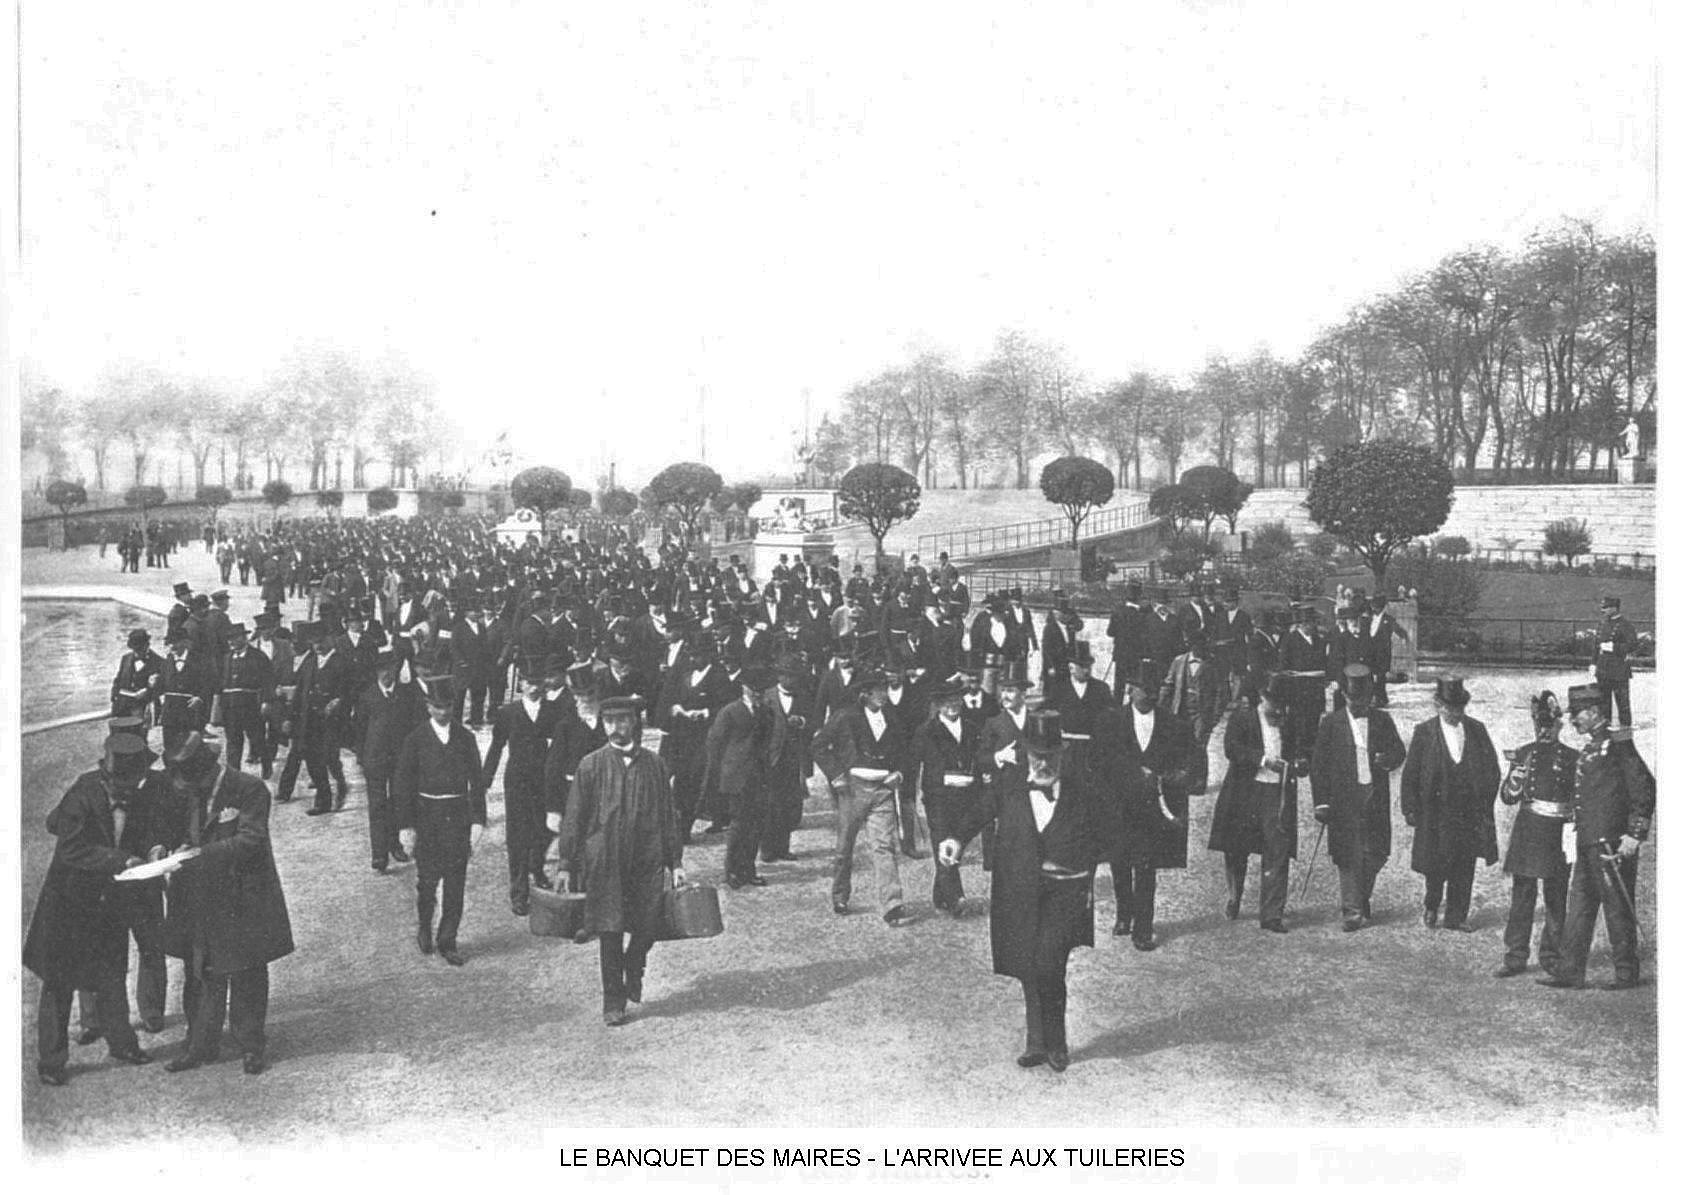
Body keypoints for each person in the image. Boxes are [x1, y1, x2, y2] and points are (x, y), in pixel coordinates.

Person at [939, 708, 1115, 1073]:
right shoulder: (1010, 783)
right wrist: (956, 838)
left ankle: (1058, 1041)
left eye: (1051, 756)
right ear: (1026, 755)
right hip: (1019, 889)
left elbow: (1104, 833)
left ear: (1062, 755)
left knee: (1050, 962)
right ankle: (1037, 1042)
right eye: (1037, 756)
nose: (1043, 763)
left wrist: (1081, 866)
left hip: (1063, 893)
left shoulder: (1083, 789)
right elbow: (982, 810)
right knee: (1028, 966)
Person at [24, 733, 161, 1085]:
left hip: (108, 905)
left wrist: (154, 850)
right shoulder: (82, 795)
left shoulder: (138, 795)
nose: (132, 789)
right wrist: (121, 859)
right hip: (68, 907)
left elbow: (143, 832)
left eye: (136, 781)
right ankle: (52, 1063)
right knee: (59, 983)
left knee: (112, 976)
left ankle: (122, 1045)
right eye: (126, 783)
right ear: (109, 777)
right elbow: (71, 850)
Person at [154, 733, 295, 1076]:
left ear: (207, 770)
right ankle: (200, 1044)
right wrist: (160, 849)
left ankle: (251, 1045)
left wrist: (200, 854)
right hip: (198, 896)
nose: (183, 787)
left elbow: (251, 839)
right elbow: (173, 830)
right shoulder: (185, 788)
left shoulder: (249, 789)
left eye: (188, 780)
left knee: (246, 970)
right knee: (200, 970)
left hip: (241, 895)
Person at [559, 695, 685, 1027]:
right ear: (603, 725)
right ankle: (613, 1000)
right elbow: (574, 817)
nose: (616, 727)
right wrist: (565, 863)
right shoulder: (591, 765)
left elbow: (668, 816)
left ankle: (635, 963)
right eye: (610, 721)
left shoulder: (655, 765)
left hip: (647, 856)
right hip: (606, 859)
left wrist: (677, 862)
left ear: (635, 723)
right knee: (610, 927)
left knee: (647, 924)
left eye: (623, 720)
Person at [1539, 684, 1656, 991]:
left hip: (1611, 844)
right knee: (1579, 906)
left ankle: (1626, 973)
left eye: (1577, 714)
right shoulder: (1593, 746)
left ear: (1594, 712)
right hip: (1588, 841)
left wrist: (1634, 835)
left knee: (1617, 906)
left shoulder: (1618, 746)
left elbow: (1644, 789)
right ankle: (1570, 972)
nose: (1574, 720)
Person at [1090, 661, 1189, 948]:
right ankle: (1124, 914)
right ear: (1131, 690)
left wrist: (1173, 777)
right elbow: (1100, 761)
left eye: (1154, 689)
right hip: (1119, 806)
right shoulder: (1111, 721)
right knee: (1120, 862)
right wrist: (1132, 773)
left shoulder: (1171, 724)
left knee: (1146, 866)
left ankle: (1143, 929)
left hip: (1151, 809)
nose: (1150, 695)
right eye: (1144, 689)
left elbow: (1185, 760)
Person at [394, 677, 488, 966]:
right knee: (427, 881)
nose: (443, 713)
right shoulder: (416, 739)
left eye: (447, 706)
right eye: (437, 707)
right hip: (427, 817)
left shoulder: (465, 738)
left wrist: (477, 821)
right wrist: (406, 825)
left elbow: (477, 781)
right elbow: (402, 784)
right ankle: (425, 926)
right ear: (428, 707)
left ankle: (448, 940)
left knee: (456, 884)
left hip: (457, 816)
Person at [811, 669, 914, 924]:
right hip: (853, 790)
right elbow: (819, 746)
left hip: (882, 791)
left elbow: (905, 750)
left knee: (884, 847)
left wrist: (899, 773)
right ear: (864, 694)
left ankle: (892, 906)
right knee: (845, 846)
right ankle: (840, 895)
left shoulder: (893, 717)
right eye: (877, 690)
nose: (883, 695)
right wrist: (837, 776)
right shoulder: (845, 717)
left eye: (885, 689)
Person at [1400, 675, 1502, 931]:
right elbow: (1411, 773)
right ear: (1437, 705)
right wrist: (1410, 807)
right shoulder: (1424, 732)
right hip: (1436, 813)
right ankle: (1432, 905)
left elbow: (1493, 769)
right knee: (1435, 864)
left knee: (1464, 865)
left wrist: (1483, 799)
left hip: (1468, 813)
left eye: (1458, 708)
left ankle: (1456, 916)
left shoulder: (1477, 730)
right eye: (1448, 708)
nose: (1454, 713)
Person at [1310, 664, 1407, 931]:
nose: (1358, 705)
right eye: (1353, 700)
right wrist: (1322, 802)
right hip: (1344, 800)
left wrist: (1388, 759)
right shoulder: (1331, 723)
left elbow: (1399, 751)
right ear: (1345, 695)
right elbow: (1318, 766)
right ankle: (1352, 911)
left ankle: (1361, 897)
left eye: (1363, 700)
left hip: (1374, 797)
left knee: (1377, 853)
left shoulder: (1382, 721)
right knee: (1348, 854)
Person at [1208, 676, 1305, 933]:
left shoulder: (1289, 722)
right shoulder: (1243, 719)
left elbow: (1299, 752)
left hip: (1278, 794)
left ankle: (1272, 914)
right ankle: (1234, 896)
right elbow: (1231, 748)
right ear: (1263, 699)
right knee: (1237, 849)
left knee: (1278, 849)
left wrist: (1297, 764)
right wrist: (1262, 760)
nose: (1279, 711)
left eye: (1284, 706)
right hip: (1245, 793)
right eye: (1275, 704)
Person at [1493, 692, 1577, 978]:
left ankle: (1551, 955)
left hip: (1558, 833)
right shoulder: (1523, 754)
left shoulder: (1572, 757)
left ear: (1559, 726)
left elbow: (1578, 801)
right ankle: (1515, 956)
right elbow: (1507, 797)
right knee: (1522, 896)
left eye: (1549, 726)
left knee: (1556, 897)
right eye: (1539, 725)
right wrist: (1515, 781)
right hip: (1528, 830)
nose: (1543, 731)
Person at [482, 664, 560, 916]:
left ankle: (536, 868)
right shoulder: (508, 713)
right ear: (520, 685)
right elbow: (496, 747)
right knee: (517, 836)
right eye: (528, 682)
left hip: (545, 780)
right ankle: (519, 890)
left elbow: (562, 745)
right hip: (517, 781)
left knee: (544, 829)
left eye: (538, 682)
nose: (534, 687)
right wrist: (485, 780)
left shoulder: (553, 711)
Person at [702, 665, 778, 889]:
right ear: (744, 688)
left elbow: (767, 742)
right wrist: (721, 772)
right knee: (739, 825)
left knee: (756, 825)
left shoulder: (766, 712)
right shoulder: (730, 711)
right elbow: (715, 743)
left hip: (759, 777)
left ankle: (749, 869)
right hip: (736, 778)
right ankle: (732, 871)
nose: (757, 695)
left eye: (761, 691)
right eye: (753, 690)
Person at [351, 646, 425, 874]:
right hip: (375, 760)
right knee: (377, 806)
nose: (385, 674)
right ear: (375, 672)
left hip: (400, 761)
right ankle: (379, 855)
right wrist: (362, 757)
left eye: (389, 668)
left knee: (398, 802)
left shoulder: (406, 695)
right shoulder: (367, 696)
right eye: (381, 669)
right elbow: (359, 730)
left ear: (396, 668)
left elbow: (414, 728)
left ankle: (396, 846)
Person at [916, 678, 982, 916]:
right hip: (938, 798)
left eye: (956, 700)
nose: (952, 705)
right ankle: (956, 897)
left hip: (966, 796)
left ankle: (940, 894)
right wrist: (908, 794)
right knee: (942, 841)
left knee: (957, 843)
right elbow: (915, 763)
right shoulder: (926, 731)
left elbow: (979, 759)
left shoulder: (973, 729)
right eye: (946, 701)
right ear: (938, 704)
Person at [760, 655, 816, 864]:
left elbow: (813, 721)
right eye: (788, 676)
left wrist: (801, 721)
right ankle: (767, 849)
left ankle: (783, 847)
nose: (792, 681)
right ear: (780, 676)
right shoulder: (767, 697)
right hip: (771, 758)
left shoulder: (803, 696)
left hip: (793, 758)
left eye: (795, 677)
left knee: (788, 804)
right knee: (769, 804)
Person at [1160, 628, 1229, 794]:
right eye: (1196, 646)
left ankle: (1198, 783)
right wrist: (1161, 706)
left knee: (1199, 746)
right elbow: (1168, 684)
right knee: (1179, 745)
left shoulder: (1214, 664)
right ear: (1191, 646)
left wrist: (1215, 717)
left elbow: (1222, 692)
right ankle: (1180, 780)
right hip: (1180, 711)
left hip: (1202, 714)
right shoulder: (1178, 661)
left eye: (1203, 645)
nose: (1200, 649)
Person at [217, 622, 274, 778]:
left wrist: (266, 701)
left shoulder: (258, 657)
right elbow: (221, 682)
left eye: (235, 638)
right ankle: (233, 774)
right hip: (230, 707)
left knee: (257, 739)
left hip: (251, 706)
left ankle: (266, 765)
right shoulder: (227, 658)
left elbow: (268, 681)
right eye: (229, 639)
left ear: (244, 638)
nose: (231, 642)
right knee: (233, 742)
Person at [1591, 596, 1639, 728]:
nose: (1603, 610)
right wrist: (1593, 663)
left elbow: (1633, 644)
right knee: (1603, 701)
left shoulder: (1625, 625)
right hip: (1603, 668)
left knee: (1622, 702)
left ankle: (1625, 728)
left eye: (1606, 607)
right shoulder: (1602, 624)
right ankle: (1605, 727)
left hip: (1619, 668)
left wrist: (1614, 647)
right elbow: (1596, 645)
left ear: (1614, 608)